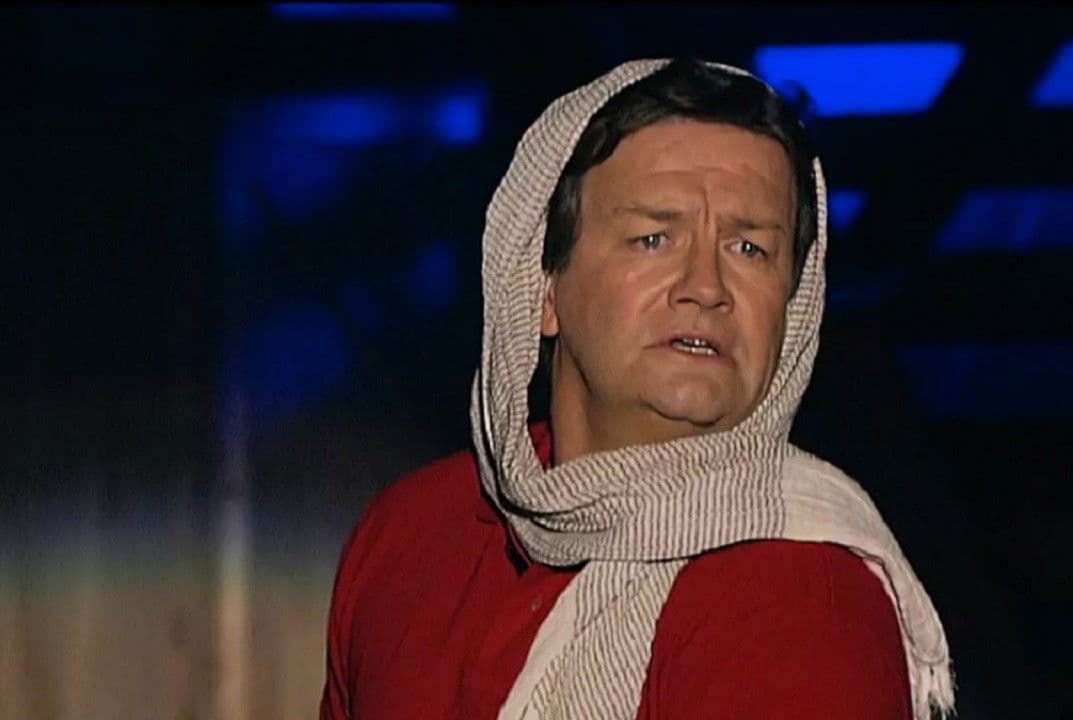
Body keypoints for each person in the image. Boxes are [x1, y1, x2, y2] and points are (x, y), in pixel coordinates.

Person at [321, 57, 954, 720]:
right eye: (653, 238)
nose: (706, 287)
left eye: (750, 249)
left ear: (791, 309)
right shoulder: (412, 534)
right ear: (542, 288)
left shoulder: (798, 593)